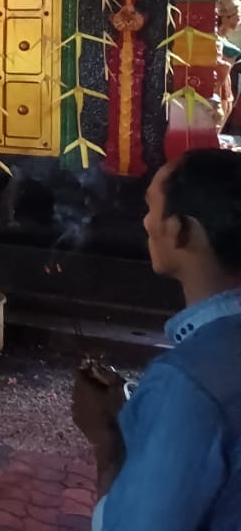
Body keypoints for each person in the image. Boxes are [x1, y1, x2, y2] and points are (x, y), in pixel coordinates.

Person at [73, 149, 241, 530]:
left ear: (183, 230)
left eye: (151, 207)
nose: (145, 222)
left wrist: (108, 444)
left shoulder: (187, 384)